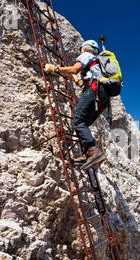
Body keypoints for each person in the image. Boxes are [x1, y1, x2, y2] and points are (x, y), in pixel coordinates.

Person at [44, 40, 109, 170]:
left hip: (94, 91)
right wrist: (78, 82)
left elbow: (74, 69)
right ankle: (88, 154)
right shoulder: (99, 65)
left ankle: (94, 151)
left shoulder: (87, 55)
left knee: (78, 122)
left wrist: (55, 69)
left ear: (85, 49)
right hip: (103, 97)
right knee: (83, 123)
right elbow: (88, 81)